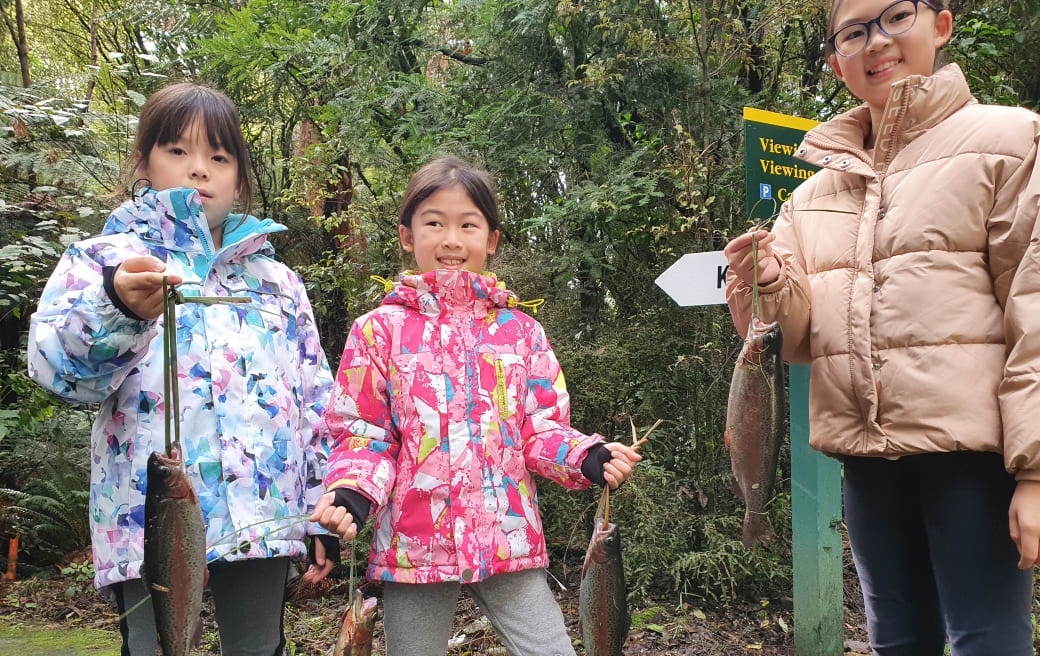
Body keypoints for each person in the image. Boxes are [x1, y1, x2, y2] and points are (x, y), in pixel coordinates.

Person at [724, 1, 1040, 654]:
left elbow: (1038, 310)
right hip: (867, 467)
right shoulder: (810, 197)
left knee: (986, 642)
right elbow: (793, 336)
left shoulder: (1012, 141)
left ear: (942, 24)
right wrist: (764, 287)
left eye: (894, 16)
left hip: (975, 463)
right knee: (898, 644)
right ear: (836, 63)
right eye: (853, 32)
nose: (876, 41)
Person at [27, 82, 337, 656]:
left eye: (218, 157)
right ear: (143, 162)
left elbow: (318, 402)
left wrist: (323, 505)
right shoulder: (105, 261)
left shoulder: (276, 283)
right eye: (177, 151)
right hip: (147, 519)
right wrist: (117, 307)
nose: (200, 170)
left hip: (262, 519)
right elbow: (57, 373)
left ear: (239, 178)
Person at [309, 156, 643, 656]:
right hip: (413, 546)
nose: (451, 239)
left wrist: (586, 455)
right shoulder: (378, 331)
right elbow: (364, 433)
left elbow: (540, 428)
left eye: (468, 225)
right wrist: (352, 493)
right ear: (407, 236)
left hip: (508, 539)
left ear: (491, 240)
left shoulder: (520, 332)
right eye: (434, 223)